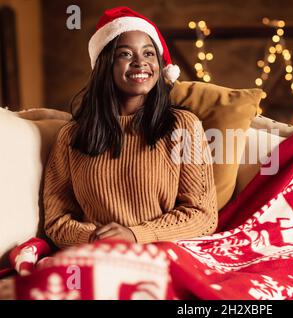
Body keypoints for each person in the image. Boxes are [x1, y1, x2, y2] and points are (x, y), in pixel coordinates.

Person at [43, 6, 218, 248]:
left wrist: (134, 235)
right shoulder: (71, 136)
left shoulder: (183, 126)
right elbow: (57, 220)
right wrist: (94, 238)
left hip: (163, 254)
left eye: (149, 54)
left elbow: (203, 216)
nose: (140, 63)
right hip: (96, 255)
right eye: (125, 54)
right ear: (106, 64)